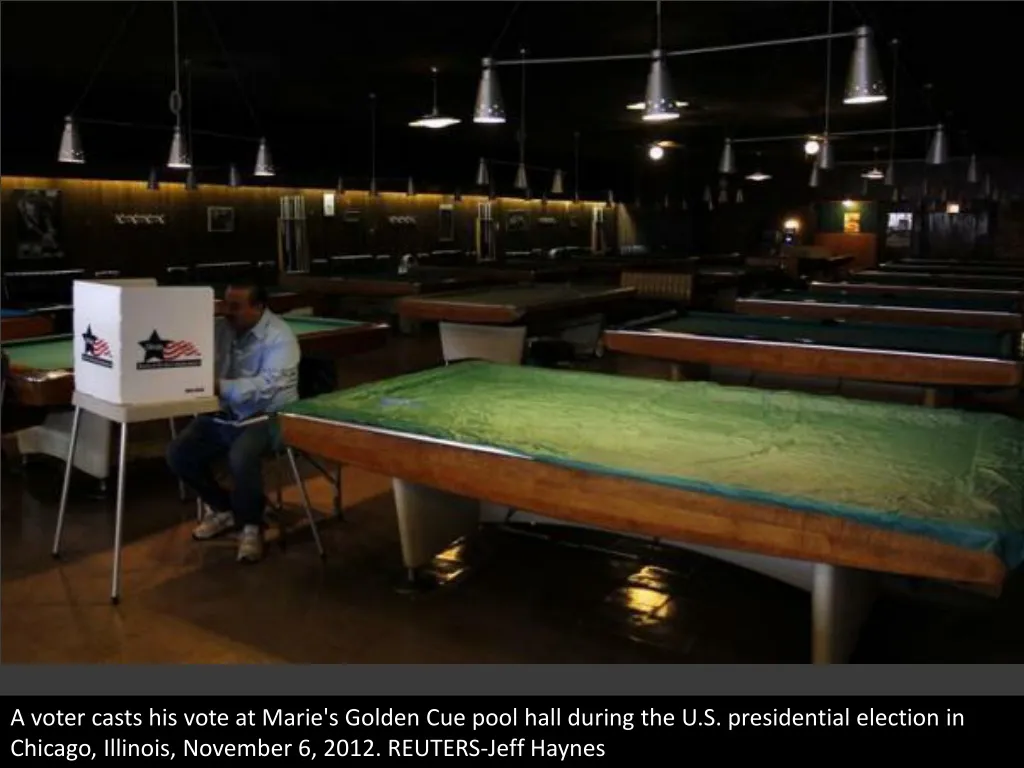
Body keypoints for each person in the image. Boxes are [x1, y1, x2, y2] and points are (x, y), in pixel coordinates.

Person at [167, 282, 301, 563]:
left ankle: (251, 526)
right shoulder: (221, 329)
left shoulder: (280, 336)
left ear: (259, 307)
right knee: (179, 454)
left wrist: (218, 386)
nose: (228, 312)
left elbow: (268, 387)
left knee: (241, 456)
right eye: (225, 304)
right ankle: (225, 510)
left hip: (270, 415)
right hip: (226, 415)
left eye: (236, 306)